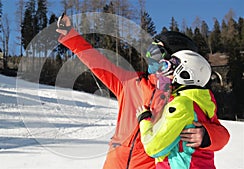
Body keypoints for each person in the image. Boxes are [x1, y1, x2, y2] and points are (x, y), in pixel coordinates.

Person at [56, 14, 229, 169]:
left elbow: (222, 134)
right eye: (149, 53)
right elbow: (97, 62)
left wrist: (206, 136)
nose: (150, 60)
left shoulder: (183, 97)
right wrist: (71, 37)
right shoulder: (130, 83)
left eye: (156, 54)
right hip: (114, 164)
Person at [137, 50, 223, 168]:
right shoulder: (201, 102)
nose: (164, 72)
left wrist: (144, 120)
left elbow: (153, 148)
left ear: (185, 74)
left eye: (169, 67)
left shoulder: (182, 105)